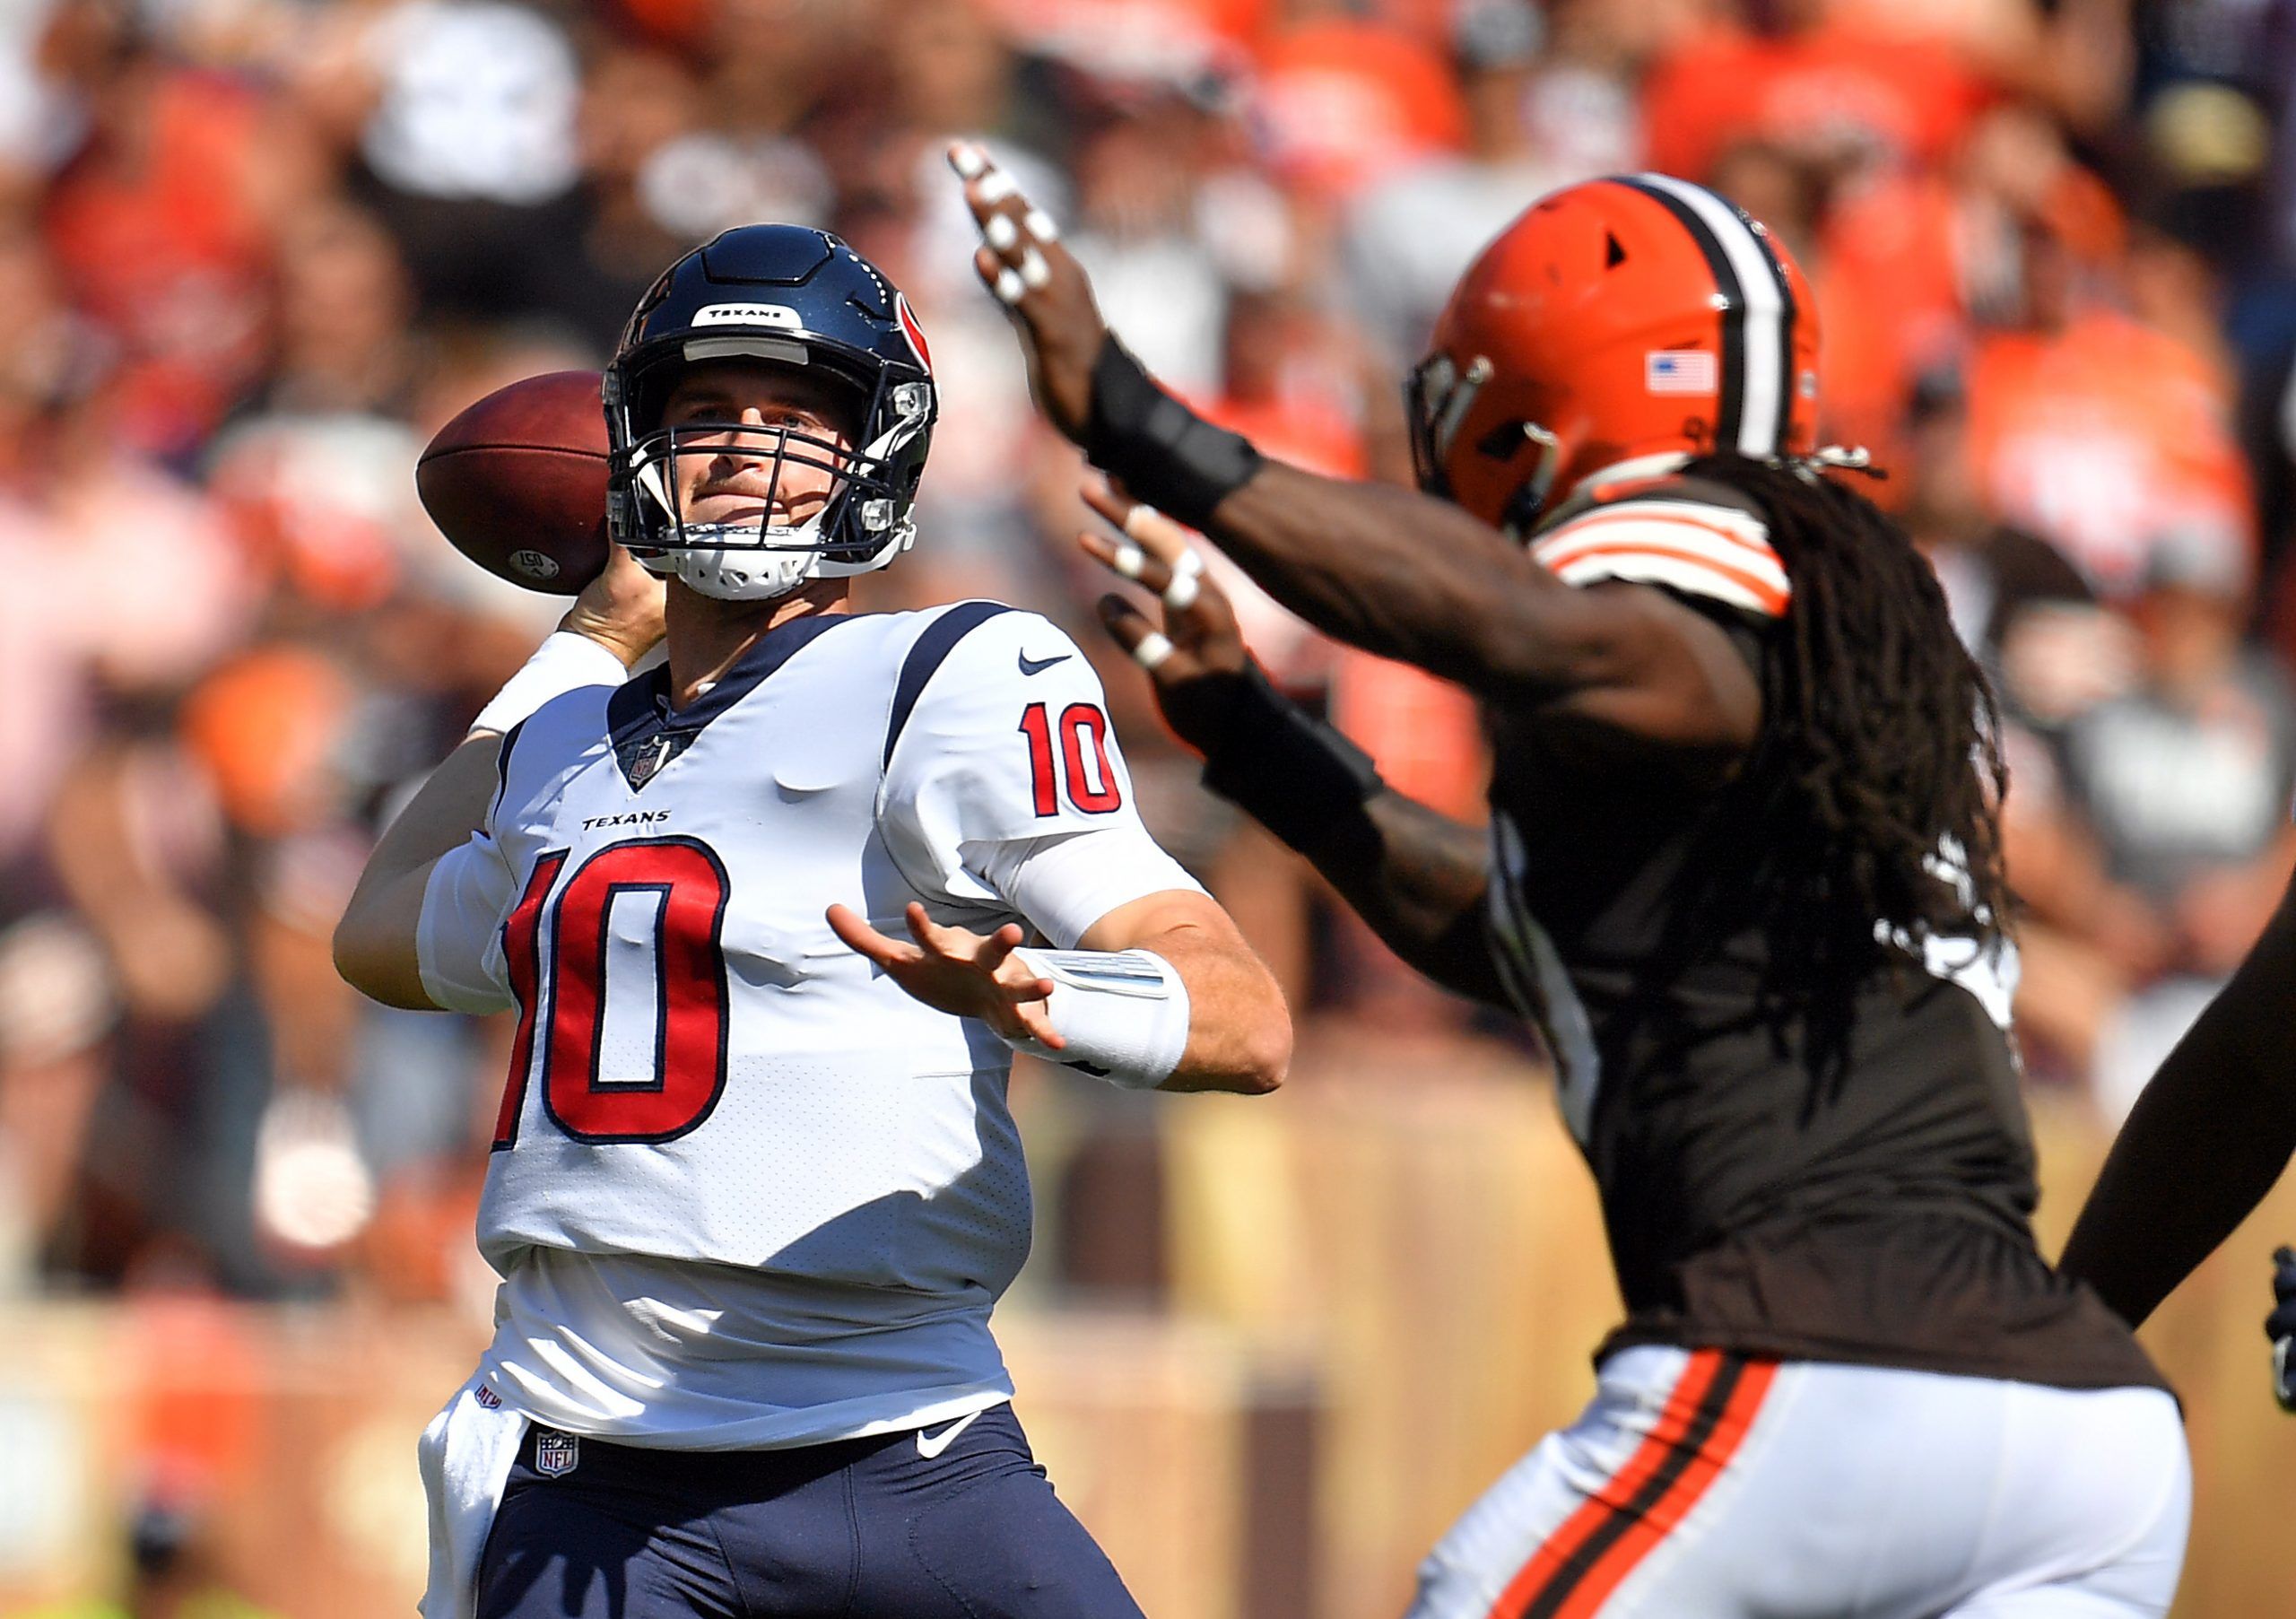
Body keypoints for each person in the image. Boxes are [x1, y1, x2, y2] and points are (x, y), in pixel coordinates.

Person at [951, 143, 2189, 1615]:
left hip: (1821, 1372)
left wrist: (1151, 430)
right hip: (2077, 1439)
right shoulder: (1824, 651)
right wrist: (1260, 739)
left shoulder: (1703, 567)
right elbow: (1519, 933)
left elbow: (1550, 634)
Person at [330, 223, 1290, 1619]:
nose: (743, 451)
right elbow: (379, 931)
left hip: (910, 1462)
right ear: (631, 451)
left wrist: (1042, 995)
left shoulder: (948, 673)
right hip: (595, 1476)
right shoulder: (562, 747)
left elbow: (1243, 1015)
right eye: (705, 414)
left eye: (795, 420)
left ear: (874, 453)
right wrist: (588, 641)